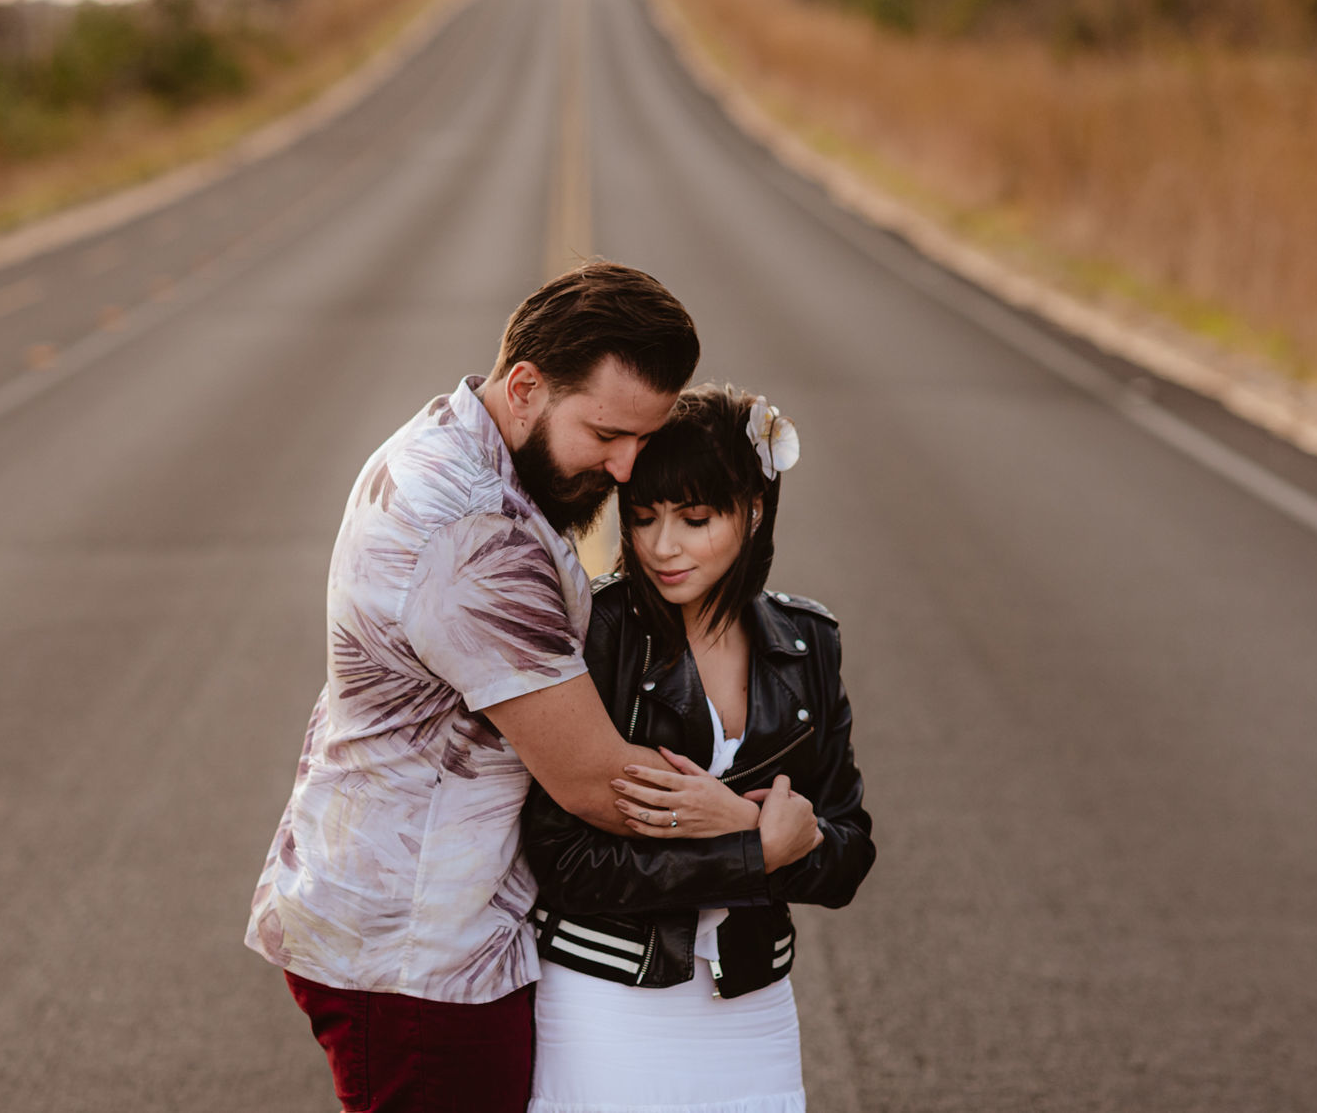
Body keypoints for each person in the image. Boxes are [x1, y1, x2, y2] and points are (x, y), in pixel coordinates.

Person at [245, 261, 701, 1112]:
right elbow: (599, 782)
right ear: (525, 384)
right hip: (418, 955)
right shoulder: (472, 532)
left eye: (644, 437)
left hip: (410, 918)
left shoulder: (451, 434)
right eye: (606, 434)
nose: (629, 467)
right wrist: (771, 835)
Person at [522, 384, 875, 1113]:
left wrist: (748, 827)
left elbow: (846, 852)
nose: (661, 546)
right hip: (606, 997)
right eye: (643, 517)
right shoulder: (598, 635)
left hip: (753, 1002)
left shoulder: (809, 643)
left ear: (752, 510)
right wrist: (754, 849)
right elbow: (564, 862)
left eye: (695, 518)